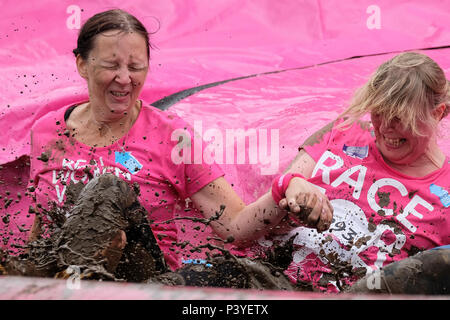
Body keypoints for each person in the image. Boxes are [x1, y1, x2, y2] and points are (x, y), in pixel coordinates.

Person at [28, 9, 333, 271]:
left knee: (108, 188)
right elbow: (40, 226)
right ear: (82, 64)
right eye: (111, 65)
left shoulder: (171, 136)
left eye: (135, 67)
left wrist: (287, 186)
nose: (124, 79)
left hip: (141, 281)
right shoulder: (46, 132)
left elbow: (235, 226)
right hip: (59, 277)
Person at [268, 51, 450, 292]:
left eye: (400, 118)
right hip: (275, 280)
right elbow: (271, 202)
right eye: (379, 112)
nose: (385, 128)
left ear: (437, 113)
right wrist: (291, 183)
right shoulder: (343, 132)